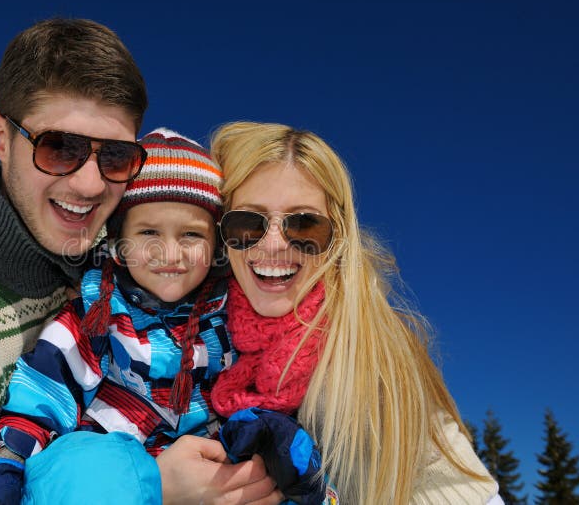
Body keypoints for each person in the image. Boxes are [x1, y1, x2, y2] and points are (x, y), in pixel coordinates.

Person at [0, 19, 279, 505]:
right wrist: (154, 488)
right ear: (1, 138)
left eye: (114, 156)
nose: (90, 185)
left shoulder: (120, 249)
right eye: (58, 148)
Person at [208, 121, 502, 504]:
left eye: (304, 224)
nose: (275, 244)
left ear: (337, 238)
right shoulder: (190, 338)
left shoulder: (371, 361)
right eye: (248, 222)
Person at [0, 128, 239, 501]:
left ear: (216, 245)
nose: (171, 254)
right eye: (149, 231)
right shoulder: (95, 319)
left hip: (204, 480)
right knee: (86, 462)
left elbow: (248, 392)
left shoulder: (226, 321)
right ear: (119, 245)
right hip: (112, 480)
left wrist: (255, 431)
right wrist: (9, 458)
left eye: (191, 235)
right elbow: (43, 394)